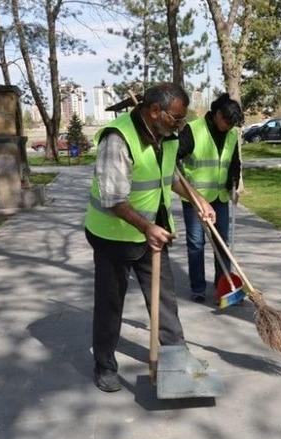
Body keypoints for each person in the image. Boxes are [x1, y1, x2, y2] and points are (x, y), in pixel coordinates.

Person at [84, 82, 216, 393]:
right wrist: (145, 227)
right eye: (176, 118)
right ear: (154, 111)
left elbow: (169, 177)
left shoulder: (167, 136)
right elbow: (113, 199)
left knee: (164, 302)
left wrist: (199, 199)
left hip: (152, 233)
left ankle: (177, 365)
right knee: (110, 304)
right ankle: (104, 364)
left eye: (183, 119)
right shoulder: (117, 140)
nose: (180, 125)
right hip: (112, 235)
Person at [176, 93, 243, 302]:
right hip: (195, 198)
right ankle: (197, 288)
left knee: (222, 243)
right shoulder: (194, 130)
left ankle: (224, 286)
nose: (229, 127)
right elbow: (174, 156)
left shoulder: (231, 134)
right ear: (217, 114)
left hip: (220, 197)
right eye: (227, 122)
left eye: (233, 124)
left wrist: (234, 183)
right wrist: (184, 182)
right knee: (196, 243)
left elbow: (234, 162)